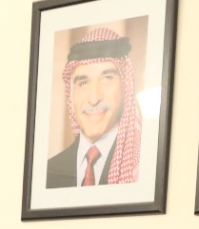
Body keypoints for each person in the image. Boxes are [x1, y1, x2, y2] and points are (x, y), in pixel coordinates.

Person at [46, 27, 143, 188]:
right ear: (71, 95)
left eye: (107, 78)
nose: (94, 99)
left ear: (125, 88)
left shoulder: (141, 168)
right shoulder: (48, 173)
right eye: (83, 83)